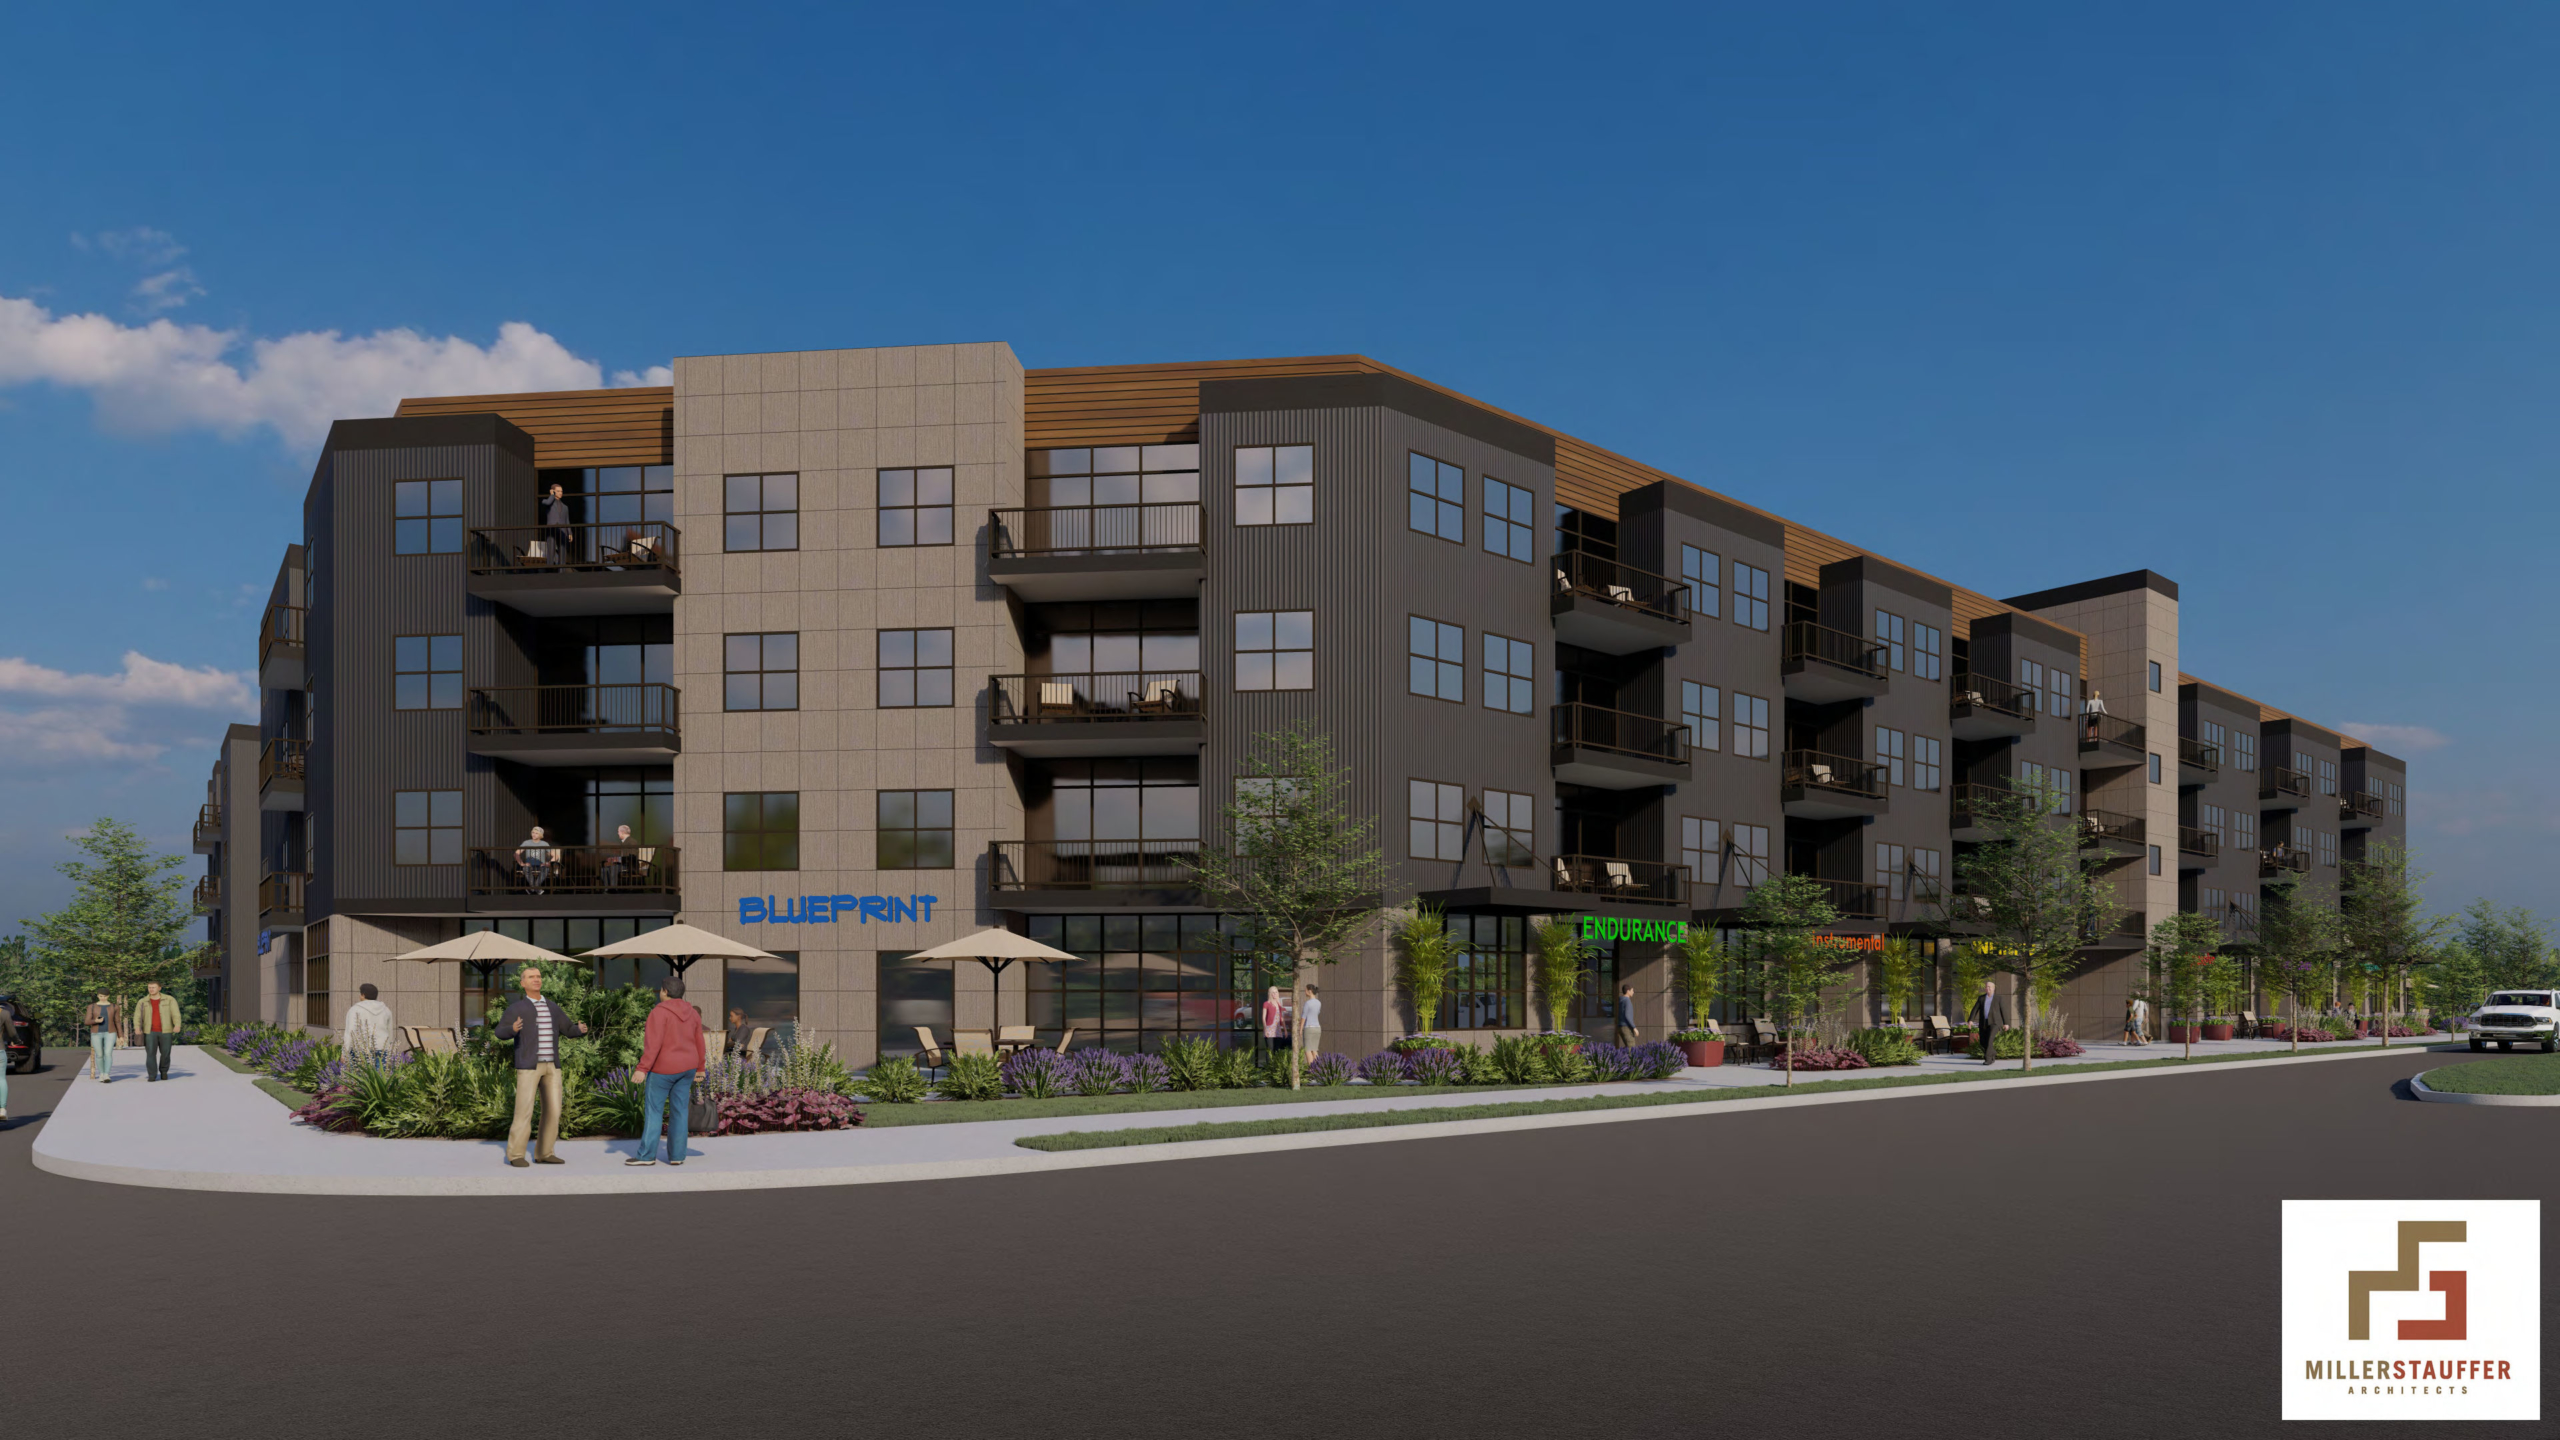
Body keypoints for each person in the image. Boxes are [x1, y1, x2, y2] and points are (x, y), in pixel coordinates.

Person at [493, 965, 588, 1167]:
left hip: (552, 1067)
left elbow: (568, 1028)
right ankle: (516, 1155)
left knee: (554, 1111)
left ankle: (545, 1153)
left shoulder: (552, 1007)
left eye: (538, 976)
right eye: (531, 977)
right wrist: (512, 1029)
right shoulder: (516, 1009)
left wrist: (579, 1030)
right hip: (528, 1067)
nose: (536, 979)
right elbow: (499, 1032)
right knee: (523, 1111)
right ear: (523, 983)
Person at [629, 974, 707, 1167]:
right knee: (680, 1111)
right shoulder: (693, 1013)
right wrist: (701, 1067)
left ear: (665, 991)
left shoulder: (659, 1012)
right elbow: (700, 1042)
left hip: (663, 1070)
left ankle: (646, 1156)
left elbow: (653, 1044)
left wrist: (642, 1069)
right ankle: (677, 1156)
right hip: (687, 1068)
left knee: (654, 1111)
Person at [131, 980, 183, 1082]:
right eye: (149, 987)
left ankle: (164, 1072)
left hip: (166, 1031)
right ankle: (152, 1075)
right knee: (150, 1054)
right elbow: (137, 1016)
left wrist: (177, 1025)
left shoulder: (169, 1000)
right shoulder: (142, 1001)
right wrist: (137, 1027)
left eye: (153, 987)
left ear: (159, 988)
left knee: (166, 1053)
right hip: (149, 1032)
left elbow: (176, 1013)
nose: (151, 989)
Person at [343, 982, 396, 1068]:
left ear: (363, 995)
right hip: (382, 1048)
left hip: (361, 1049)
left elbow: (350, 1032)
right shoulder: (386, 1010)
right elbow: (389, 1033)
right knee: (381, 1079)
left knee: (361, 1079)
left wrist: (345, 1052)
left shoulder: (355, 1009)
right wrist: (390, 1051)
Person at [86, 991, 121, 1082]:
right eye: (101, 996)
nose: (103, 998)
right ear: (97, 996)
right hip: (96, 1033)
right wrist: (95, 1021)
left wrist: (120, 1036)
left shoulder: (114, 1007)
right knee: (99, 1055)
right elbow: (86, 1021)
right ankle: (101, 1073)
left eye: (105, 996)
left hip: (111, 1032)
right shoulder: (91, 1007)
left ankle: (106, 1074)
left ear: (108, 996)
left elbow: (117, 1021)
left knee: (108, 1053)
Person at [1969, 981, 2004, 1066]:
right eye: (1986, 987)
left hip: (1995, 1023)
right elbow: (1975, 1010)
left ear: (1993, 988)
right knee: (1982, 1042)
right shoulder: (1981, 998)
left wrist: (2006, 1023)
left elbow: (2004, 1011)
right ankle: (1993, 1053)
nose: (1987, 988)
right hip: (1984, 1022)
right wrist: (1971, 1020)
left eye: (1989, 987)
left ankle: (1987, 1059)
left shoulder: (1998, 998)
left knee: (1989, 1040)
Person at [541, 481, 575, 562]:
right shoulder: (547, 501)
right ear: (553, 491)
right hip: (551, 529)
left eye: (561, 491)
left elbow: (567, 521)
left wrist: (570, 533)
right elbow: (547, 502)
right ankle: (550, 571)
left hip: (562, 531)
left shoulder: (565, 507)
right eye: (558, 491)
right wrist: (552, 495)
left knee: (563, 551)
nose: (560, 493)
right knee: (551, 551)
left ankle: (562, 571)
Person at [515, 826, 554, 894]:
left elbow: (555, 855)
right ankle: (536, 888)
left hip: (540, 865)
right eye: (533, 832)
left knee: (546, 869)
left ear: (540, 835)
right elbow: (516, 854)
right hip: (529, 865)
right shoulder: (526, 843)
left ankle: (533, 888)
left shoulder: (544, 844)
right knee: (525, 868)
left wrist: (549, 863)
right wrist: (522, 863)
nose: (534, 834)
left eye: (536, 833)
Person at [600, 823, 639, 890]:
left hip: (630, 865)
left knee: (614, 868)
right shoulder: (624, 842)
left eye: (618, 832)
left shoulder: (632, 842)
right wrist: (615, 859)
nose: (618, 833)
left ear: (622, 832)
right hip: (623, 864)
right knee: (604, 869)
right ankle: (607, 888)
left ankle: (613, 888)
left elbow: (632, 856)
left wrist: (617, 859)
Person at [1298, 984, 1323, 1061]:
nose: (1305, 992)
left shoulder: (1307, 1003)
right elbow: (1317, 1013)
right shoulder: (1319, 1003)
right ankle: (1319, 1070)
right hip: (1317, 1028)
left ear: (1310, 991)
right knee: (1314, 1050)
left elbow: (1303, 1017)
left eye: (1305, 990)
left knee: (1308, 1050)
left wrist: (1300, 1029)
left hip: (1309, 1029)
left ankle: (1312, 1071)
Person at [1260, 986, 1285, 1056]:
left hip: (1278, 1030)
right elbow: (1263, 1017)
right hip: (1269, 1029)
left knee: (1277, 1050)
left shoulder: (1279, 1004)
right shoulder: (1266, 1003)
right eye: (1273, 993)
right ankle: (1269, 1066)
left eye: (1276, 992)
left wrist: (1285, 1030)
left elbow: (1282, 1018)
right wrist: (1265, 1030)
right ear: (1270, 994)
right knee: (1270, 1049)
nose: (1275, 994)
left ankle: (1275, 1066)